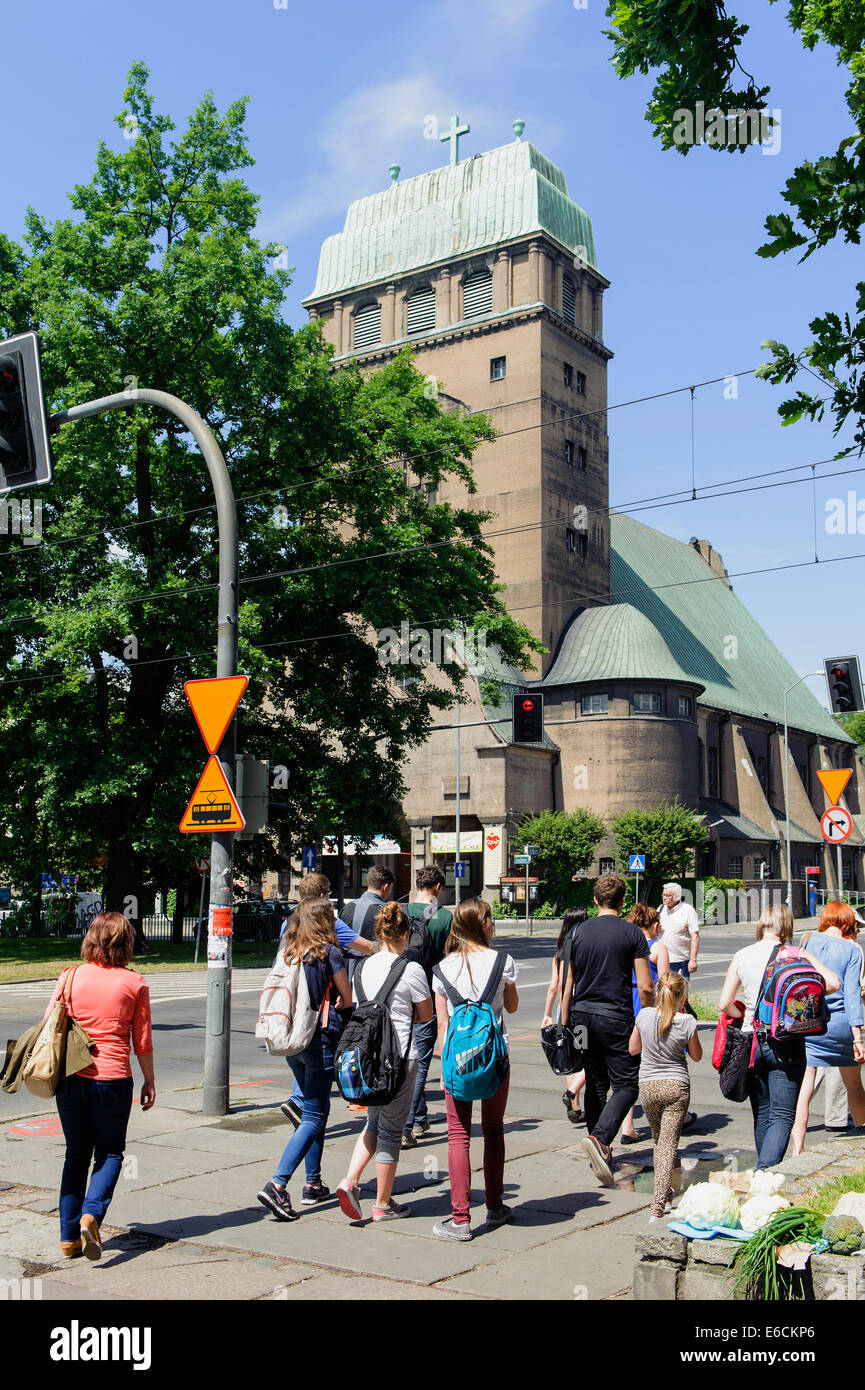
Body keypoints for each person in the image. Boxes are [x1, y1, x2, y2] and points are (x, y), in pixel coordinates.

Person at [44, 912, 155, 1261]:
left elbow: (50, 1024)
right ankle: (92, 1215)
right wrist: (149, 1080)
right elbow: (143, 1041)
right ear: (127, 943)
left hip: (71, 1078)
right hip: (112, 1079)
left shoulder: (70, 976)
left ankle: (67, 1237)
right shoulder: (134, 983)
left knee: (75, 1155)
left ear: (91, 938)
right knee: (109, 1153)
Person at [718, 903, 841, 1171]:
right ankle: (765, 1174)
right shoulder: (796, 954)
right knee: (783, 1115)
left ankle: (765, 1171)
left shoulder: (742, 954)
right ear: (787, 925)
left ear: (762, 924)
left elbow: (724, 1003)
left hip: (752, 1042)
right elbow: (833, 983)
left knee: (762, 1114)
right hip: (788, 1042)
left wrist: (742, 1013)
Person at [336, 902, 433, 1221]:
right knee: (392, 1131)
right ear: (406, 934)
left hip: (369, 1059)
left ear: (380, 932)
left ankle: (349, 1180)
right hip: (401, 1058)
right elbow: (425, 1015)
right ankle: (382, 1203)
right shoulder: (412, 969)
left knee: (373, 1124)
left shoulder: (364, 967)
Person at [257, 898, 352, 1220]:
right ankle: (278, 1184)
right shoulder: (329, 953)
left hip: (293, 1042)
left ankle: (313, 1183)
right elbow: (347, 998)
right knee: (313, 1116)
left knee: (314, 1112)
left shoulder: (289, 952)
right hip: (320, 1042)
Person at [432, 898, 519, 1240]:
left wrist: (444, 1072)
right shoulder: (503, 961)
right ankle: (495, 1207)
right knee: (494, 1130)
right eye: (491, 920)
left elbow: (442, 1028)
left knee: (458, 1135)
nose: (494, 925)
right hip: (496, 1058)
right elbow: (510, 1007)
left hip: (457, 1061)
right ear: (482, 926)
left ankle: (460, 1219)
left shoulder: (442, 969)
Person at [560, 875, 654, 1187]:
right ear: (622, 901)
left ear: (596, 900)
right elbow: (645, 986)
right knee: (627, 1084)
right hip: (615, 1019)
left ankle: (598, 1146)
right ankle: (600, 1139)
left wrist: (564, 1025)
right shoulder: (632, 933)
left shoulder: (577, 933)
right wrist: (648, 1016)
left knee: (595, 1080)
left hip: (582, 1018)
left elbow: (568, 984)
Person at [277, 873, 375, 1128]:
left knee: (300, 1047)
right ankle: (304, 1108)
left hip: (293, 1000)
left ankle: (299, 1103)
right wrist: (387, 949)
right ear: (322, 896)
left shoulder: (288, 922)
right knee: (320, 1056)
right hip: (321, 1004)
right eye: (329, 892)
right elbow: (363, 946)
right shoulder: (327, 921)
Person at [790, 902, 865, 1154]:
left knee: (805, 1086)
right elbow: (852, 995)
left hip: (811, 1021)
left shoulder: (807, 939)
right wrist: (857, 1037)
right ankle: (861, 1140)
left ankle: (797, 1147)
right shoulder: (852, 950)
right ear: (847, 923)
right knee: (853, 1084)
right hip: (841, 1024)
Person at [629, 972, 702, 1220]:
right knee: (668, 1146)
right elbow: (696, 1055)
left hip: (648, 1086)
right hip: (676, 1086)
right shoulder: (687, 1022)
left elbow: (633, 1048)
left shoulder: (644, 1015)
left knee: (659, 1142)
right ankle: (657, 1206)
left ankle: (665, 1193)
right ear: (682, 997)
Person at [402, 865, 452, 1147]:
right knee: (421, 1061)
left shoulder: (400, 911)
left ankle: (419, 1116)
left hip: (398, 991)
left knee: (403, 1055)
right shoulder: (444, 917)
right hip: (430, 995)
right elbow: (449, 960)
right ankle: (408, 1124)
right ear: (437, 888)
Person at [619, 904, 671, 1143]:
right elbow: (664, 984)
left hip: (624, 1004)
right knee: (654, 1064)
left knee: (627, 1067)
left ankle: (627, 1126)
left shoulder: (626, 946)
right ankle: (661, 1117)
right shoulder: (658, 948)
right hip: (646, 1005)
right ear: (655, 925)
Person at [541, 905, 589, 1123]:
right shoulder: (583, 948)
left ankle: (575, 1105)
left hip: (562, 1009)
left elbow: (554, 986)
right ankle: (571, 1094)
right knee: (588, 1056)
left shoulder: (560, 950)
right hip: (579, 1007)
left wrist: (547, 1013)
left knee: (569, 1054)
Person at [657, 883, 700, 980]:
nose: (664, 898)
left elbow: (695, 936)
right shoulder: (661, 908)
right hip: (662, 959)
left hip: (680, 960)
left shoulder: (688, 911)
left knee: (680, 993)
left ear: (677, 897)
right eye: (663, 895)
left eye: (668, 895)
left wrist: (693, 959)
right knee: (664, 992)